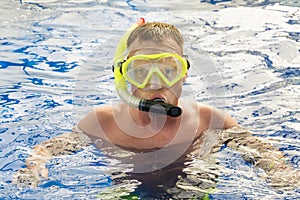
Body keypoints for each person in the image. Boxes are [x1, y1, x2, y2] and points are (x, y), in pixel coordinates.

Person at [13, 18, 299, 198]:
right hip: (124, 190)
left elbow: (260, 149)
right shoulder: (102, 122)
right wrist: (36, 162)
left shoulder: (208, 120)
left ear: (184, 72)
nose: (155, 84)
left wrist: (278, 170)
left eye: (168, 70)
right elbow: (51, 147)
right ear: (123, 77)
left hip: (194, 188)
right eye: (141, 72)